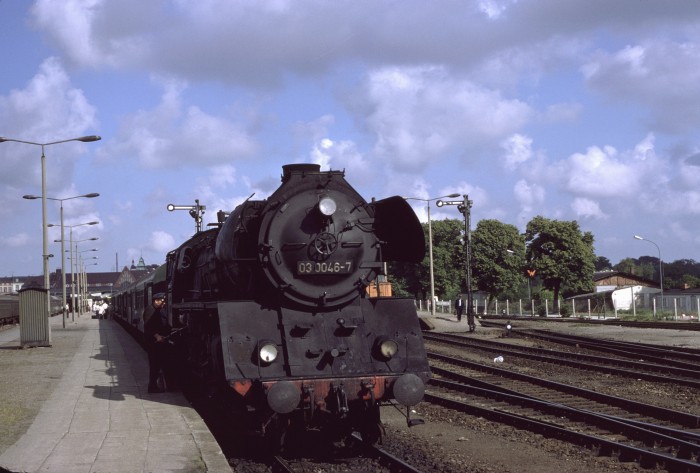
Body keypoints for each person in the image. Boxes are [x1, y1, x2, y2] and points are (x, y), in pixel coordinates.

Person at [144, 293, 172, 393]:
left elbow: (165, 324)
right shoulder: (150, 310)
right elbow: (148, 326)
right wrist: (157, 336)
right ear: (156, 301)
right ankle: (152, 387)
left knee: (163, 364)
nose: (164, 302)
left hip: (161, 342)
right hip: (154, 343)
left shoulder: (160, 310)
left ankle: (167, 385)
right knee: (155, 365)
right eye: (162, 301)